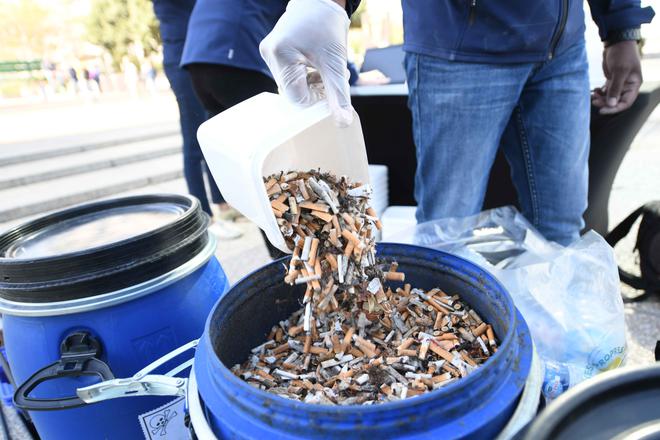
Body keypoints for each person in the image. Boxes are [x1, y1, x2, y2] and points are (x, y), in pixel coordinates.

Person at [260, 0, 654, 246]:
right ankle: (447, 370)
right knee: (447, 229)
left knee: (563, 225)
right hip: (456, 50)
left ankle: (555, 355)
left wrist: (622, 28)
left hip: (559, 49)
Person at [180, 0, 288, 256]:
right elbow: (308, 19)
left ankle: (281, 259)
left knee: (252, 166)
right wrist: (349, 71)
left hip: (198, 57)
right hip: (235, 52)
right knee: (274, 164)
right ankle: (290, 258)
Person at [152, 0, 242, 239]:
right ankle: (204, 218)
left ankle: (222, 204)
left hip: (201, 53)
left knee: (211, 133)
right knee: (194, 138)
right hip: (182, 57)